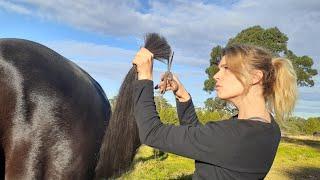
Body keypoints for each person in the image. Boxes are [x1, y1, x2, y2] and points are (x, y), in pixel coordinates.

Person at [131, 44, 298, 180]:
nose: (216, 76)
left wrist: (145, 77)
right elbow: (204, 142)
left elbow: (152, 133)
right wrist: (182, 95)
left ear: (255, 77)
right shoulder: (268, 128)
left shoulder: (236, 134)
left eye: (226, 68)